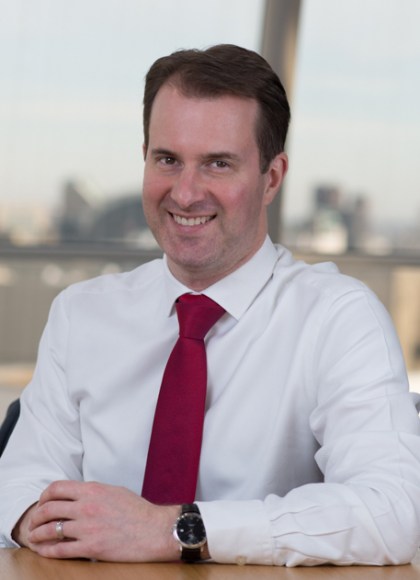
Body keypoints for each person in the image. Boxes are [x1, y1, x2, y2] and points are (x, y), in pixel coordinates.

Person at [1, 43, 420, 567]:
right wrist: (36, 518)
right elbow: (17, 483)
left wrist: (175, 530)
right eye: (167, 160)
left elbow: (393, 513)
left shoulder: (338, 318)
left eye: (218, 164)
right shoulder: (80, 314)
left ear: (271, 178)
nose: (185, 193)